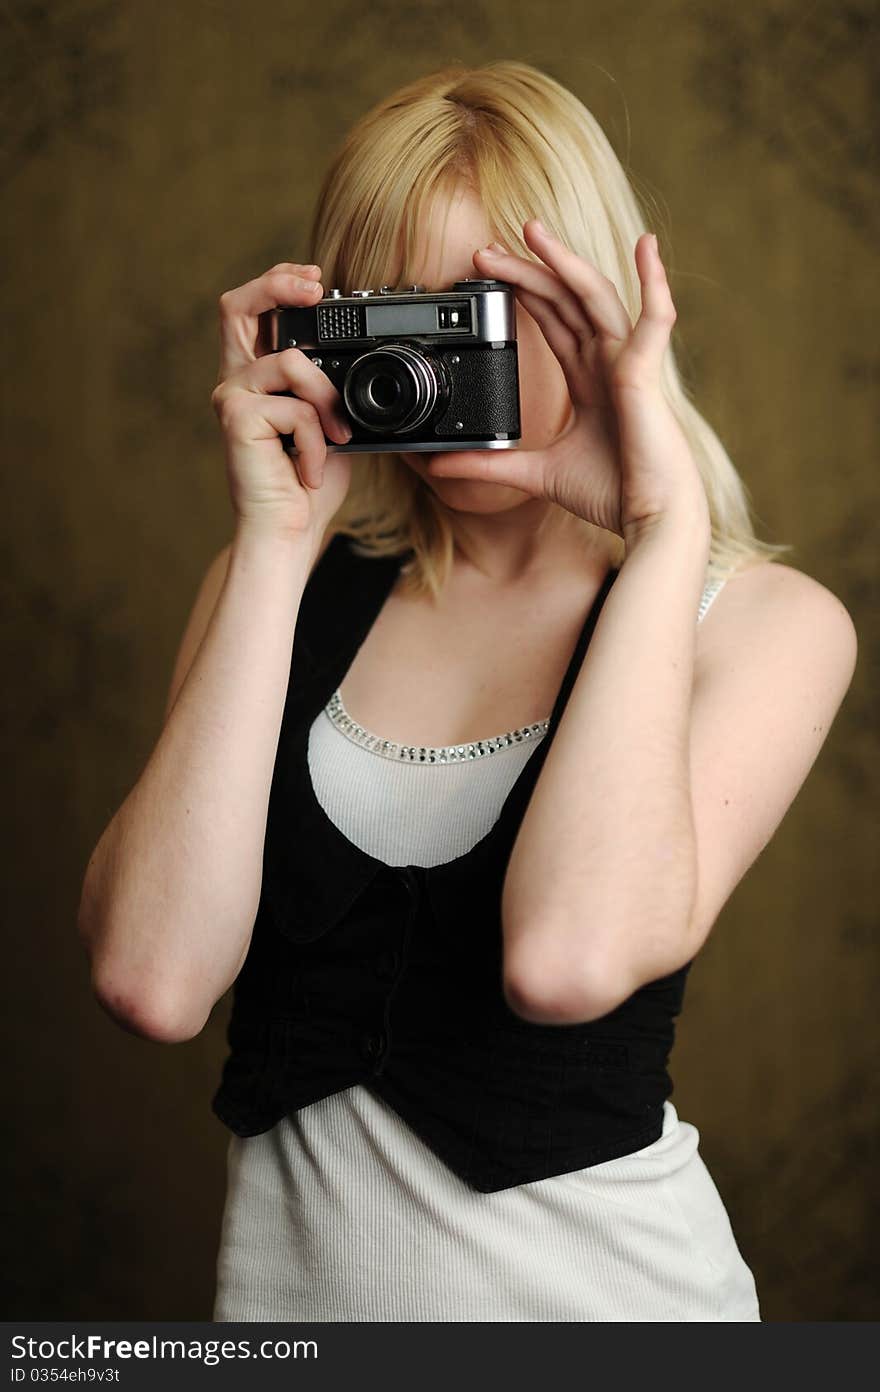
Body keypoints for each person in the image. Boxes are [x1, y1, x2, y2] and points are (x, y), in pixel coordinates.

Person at [77, 61, 857, 1322]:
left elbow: (569, 959)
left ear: (595, 305)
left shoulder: (762, 623)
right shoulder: (270, 582)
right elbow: (151, 981)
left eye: (482, 309)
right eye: (389, 314)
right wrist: (273, 545)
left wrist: (661, 535)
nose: (424, 368)